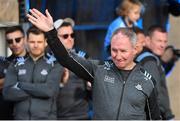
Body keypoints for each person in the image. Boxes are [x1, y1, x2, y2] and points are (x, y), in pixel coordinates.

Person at [27, 9, 161, 120]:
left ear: (135, 49)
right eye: (114, 50)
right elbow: (66, 59)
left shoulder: (147, 80)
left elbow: (154, 118)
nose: (118, 56)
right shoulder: (99, 69)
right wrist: (51, 32)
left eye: (123, 51)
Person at [3, 26, 63, 120]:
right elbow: (7, 93)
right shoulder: (15, 64)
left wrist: (20, 85)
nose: (35, 45)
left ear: (45, 42)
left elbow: (49, 91)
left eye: (39, 42)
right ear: (26, 41)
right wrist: (38, 89)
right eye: (32, 42)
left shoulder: (55, 64)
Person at [53, 18, 91, 119]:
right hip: (55, 116)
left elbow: (93, 91)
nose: (70, 38)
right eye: (65, 36)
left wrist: (91, 86)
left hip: (81, 115)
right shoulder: (48, 60)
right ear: (55, 38)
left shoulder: (83, 57)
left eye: (72, 35)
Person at [136, 25, 175, 120]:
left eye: (165, 41)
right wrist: (168, 116)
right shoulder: (150, 61)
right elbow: (155, 93)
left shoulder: (147, 59)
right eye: (159, 41)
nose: (163, 45)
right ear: (147, 40)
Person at [0, 25, 27, 119]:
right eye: (10, 41)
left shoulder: (35, 61)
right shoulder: (3, 63)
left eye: (18, 39)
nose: (14, 44)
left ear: (25, 39)